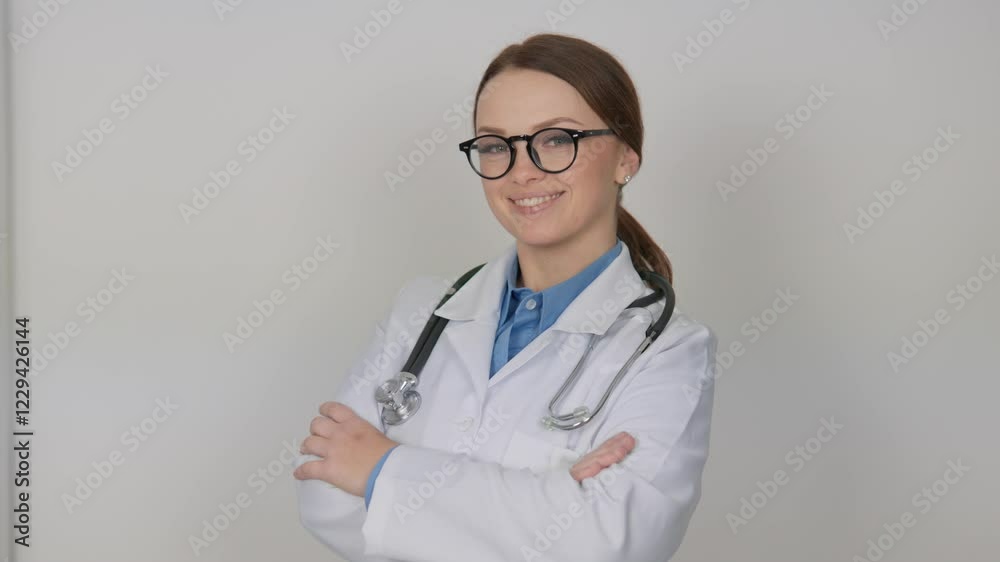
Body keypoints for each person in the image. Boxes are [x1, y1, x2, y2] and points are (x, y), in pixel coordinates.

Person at [293, 32, 717, 562]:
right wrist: (552, 498)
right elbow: (322, 494)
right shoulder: (421, 310)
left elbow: (610, 542)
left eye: (557, 138)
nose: (522, 170)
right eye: (496, 145)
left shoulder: (668, 350)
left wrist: (381, 469)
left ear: (625, 158)